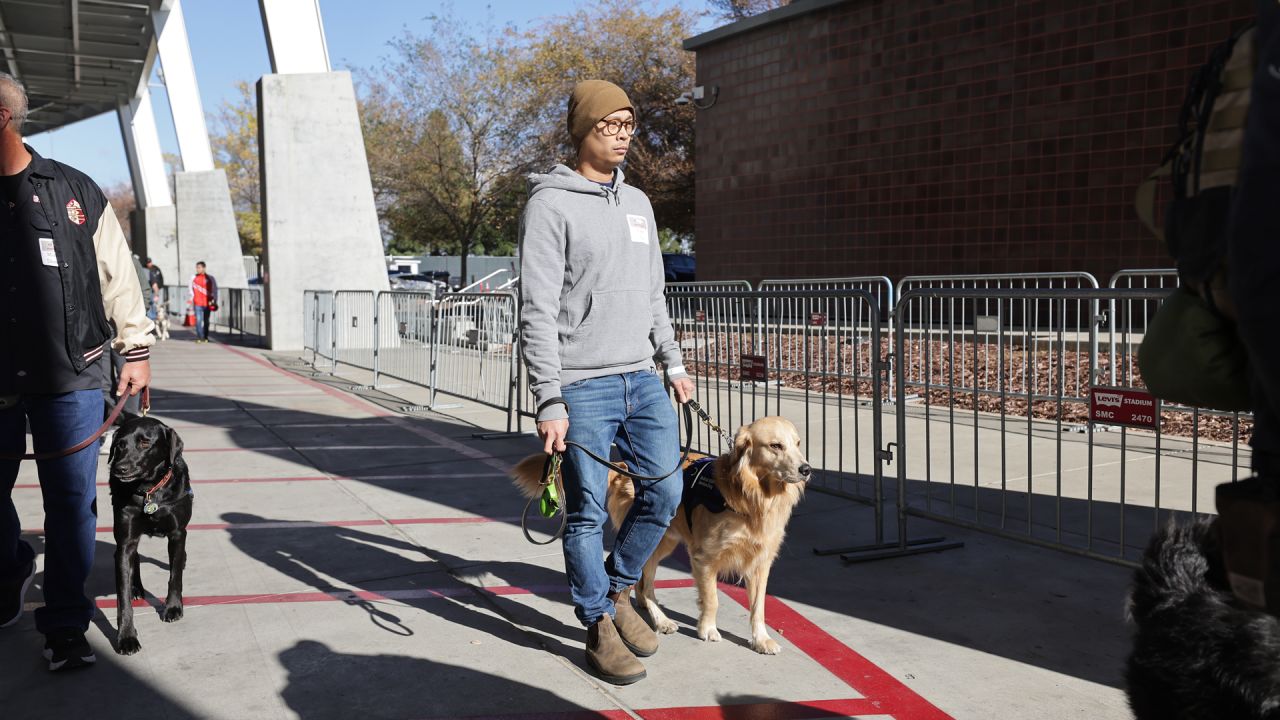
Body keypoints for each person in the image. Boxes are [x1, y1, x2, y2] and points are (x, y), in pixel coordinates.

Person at [519, 79, 695, 685]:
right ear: (583, 130)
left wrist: (672, 362)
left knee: (666, 495)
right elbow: (537, 308)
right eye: (609, 126)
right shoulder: (550, 204)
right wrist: (549, 398)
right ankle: (596, 621)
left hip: (642, 377)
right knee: (588, 513)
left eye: (628, 126)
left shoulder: (639, 204)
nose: (622, 136)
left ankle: (618, 590)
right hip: (581, 383)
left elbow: (653, 294)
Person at [0, 72, 154, 671]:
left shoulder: (73, 190)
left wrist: (135, 350)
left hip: (73, 378)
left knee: (70, 506)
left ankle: (64, 624)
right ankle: (13, 566)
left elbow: (117, 273)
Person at [190, 261, 217, 343]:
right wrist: (192, 299)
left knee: (206, 321)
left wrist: (214, 300)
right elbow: (190, 289)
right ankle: (199, 337)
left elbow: (215, 290)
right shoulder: (193, 278)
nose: (197, 269)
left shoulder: (210, 278)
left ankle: (205, 337)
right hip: (197, 303)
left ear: (204, 268)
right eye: (197, 267)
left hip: (207, 303)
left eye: (199, 267)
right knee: (198, 320)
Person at [143, 257, 164, 321]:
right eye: (147, 263)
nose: (149, 264)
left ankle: (157, 318)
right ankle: (153, 319)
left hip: (157, 289)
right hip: (150, 290)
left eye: (149, 262)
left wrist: (158, 292)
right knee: (152, 305)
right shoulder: (145, 269)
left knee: (157, 305)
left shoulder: (156, 269)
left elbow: (160, 278)